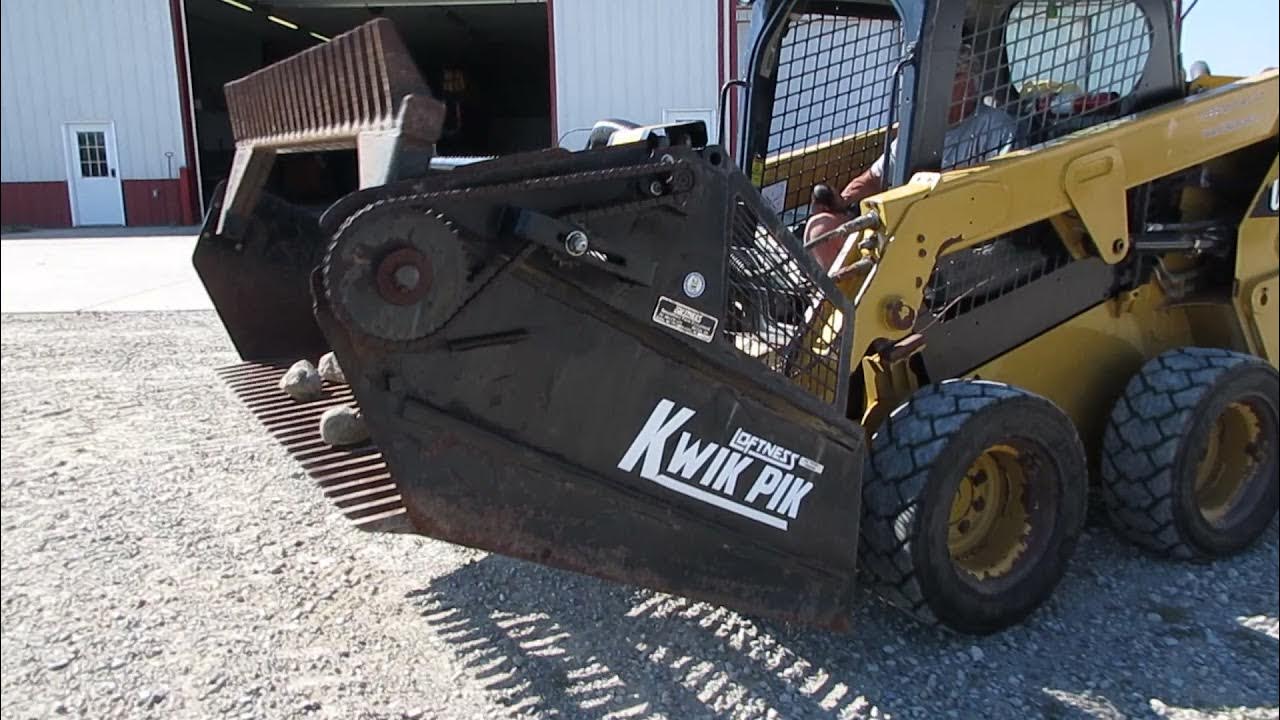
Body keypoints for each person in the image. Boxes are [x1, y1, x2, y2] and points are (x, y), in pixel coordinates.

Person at [805, 43, 1018, 267]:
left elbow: (1002, 193)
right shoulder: (921, 130)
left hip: (957, 238)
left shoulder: (996, 127)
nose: (934, 87)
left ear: (968, 80)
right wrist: (842, 206)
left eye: (944, 78)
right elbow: (874, 178)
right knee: (821, 228)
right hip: (903, 229)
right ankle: (846, 296)